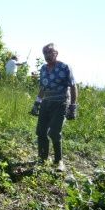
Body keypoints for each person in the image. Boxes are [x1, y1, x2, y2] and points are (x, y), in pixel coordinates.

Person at [30, 43, 78, 172]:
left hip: (60, 103)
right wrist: (36, 103)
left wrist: (73, 107)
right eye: (45, 53)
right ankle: (42, 158)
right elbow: (42, 88)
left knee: (54, 132)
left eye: (50, 52)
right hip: (46, 103)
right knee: (41, 131)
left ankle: (59, 161)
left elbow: (73, 86)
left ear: (56, 53)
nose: (47, 55)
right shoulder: (43, 69)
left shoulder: (64, 67)